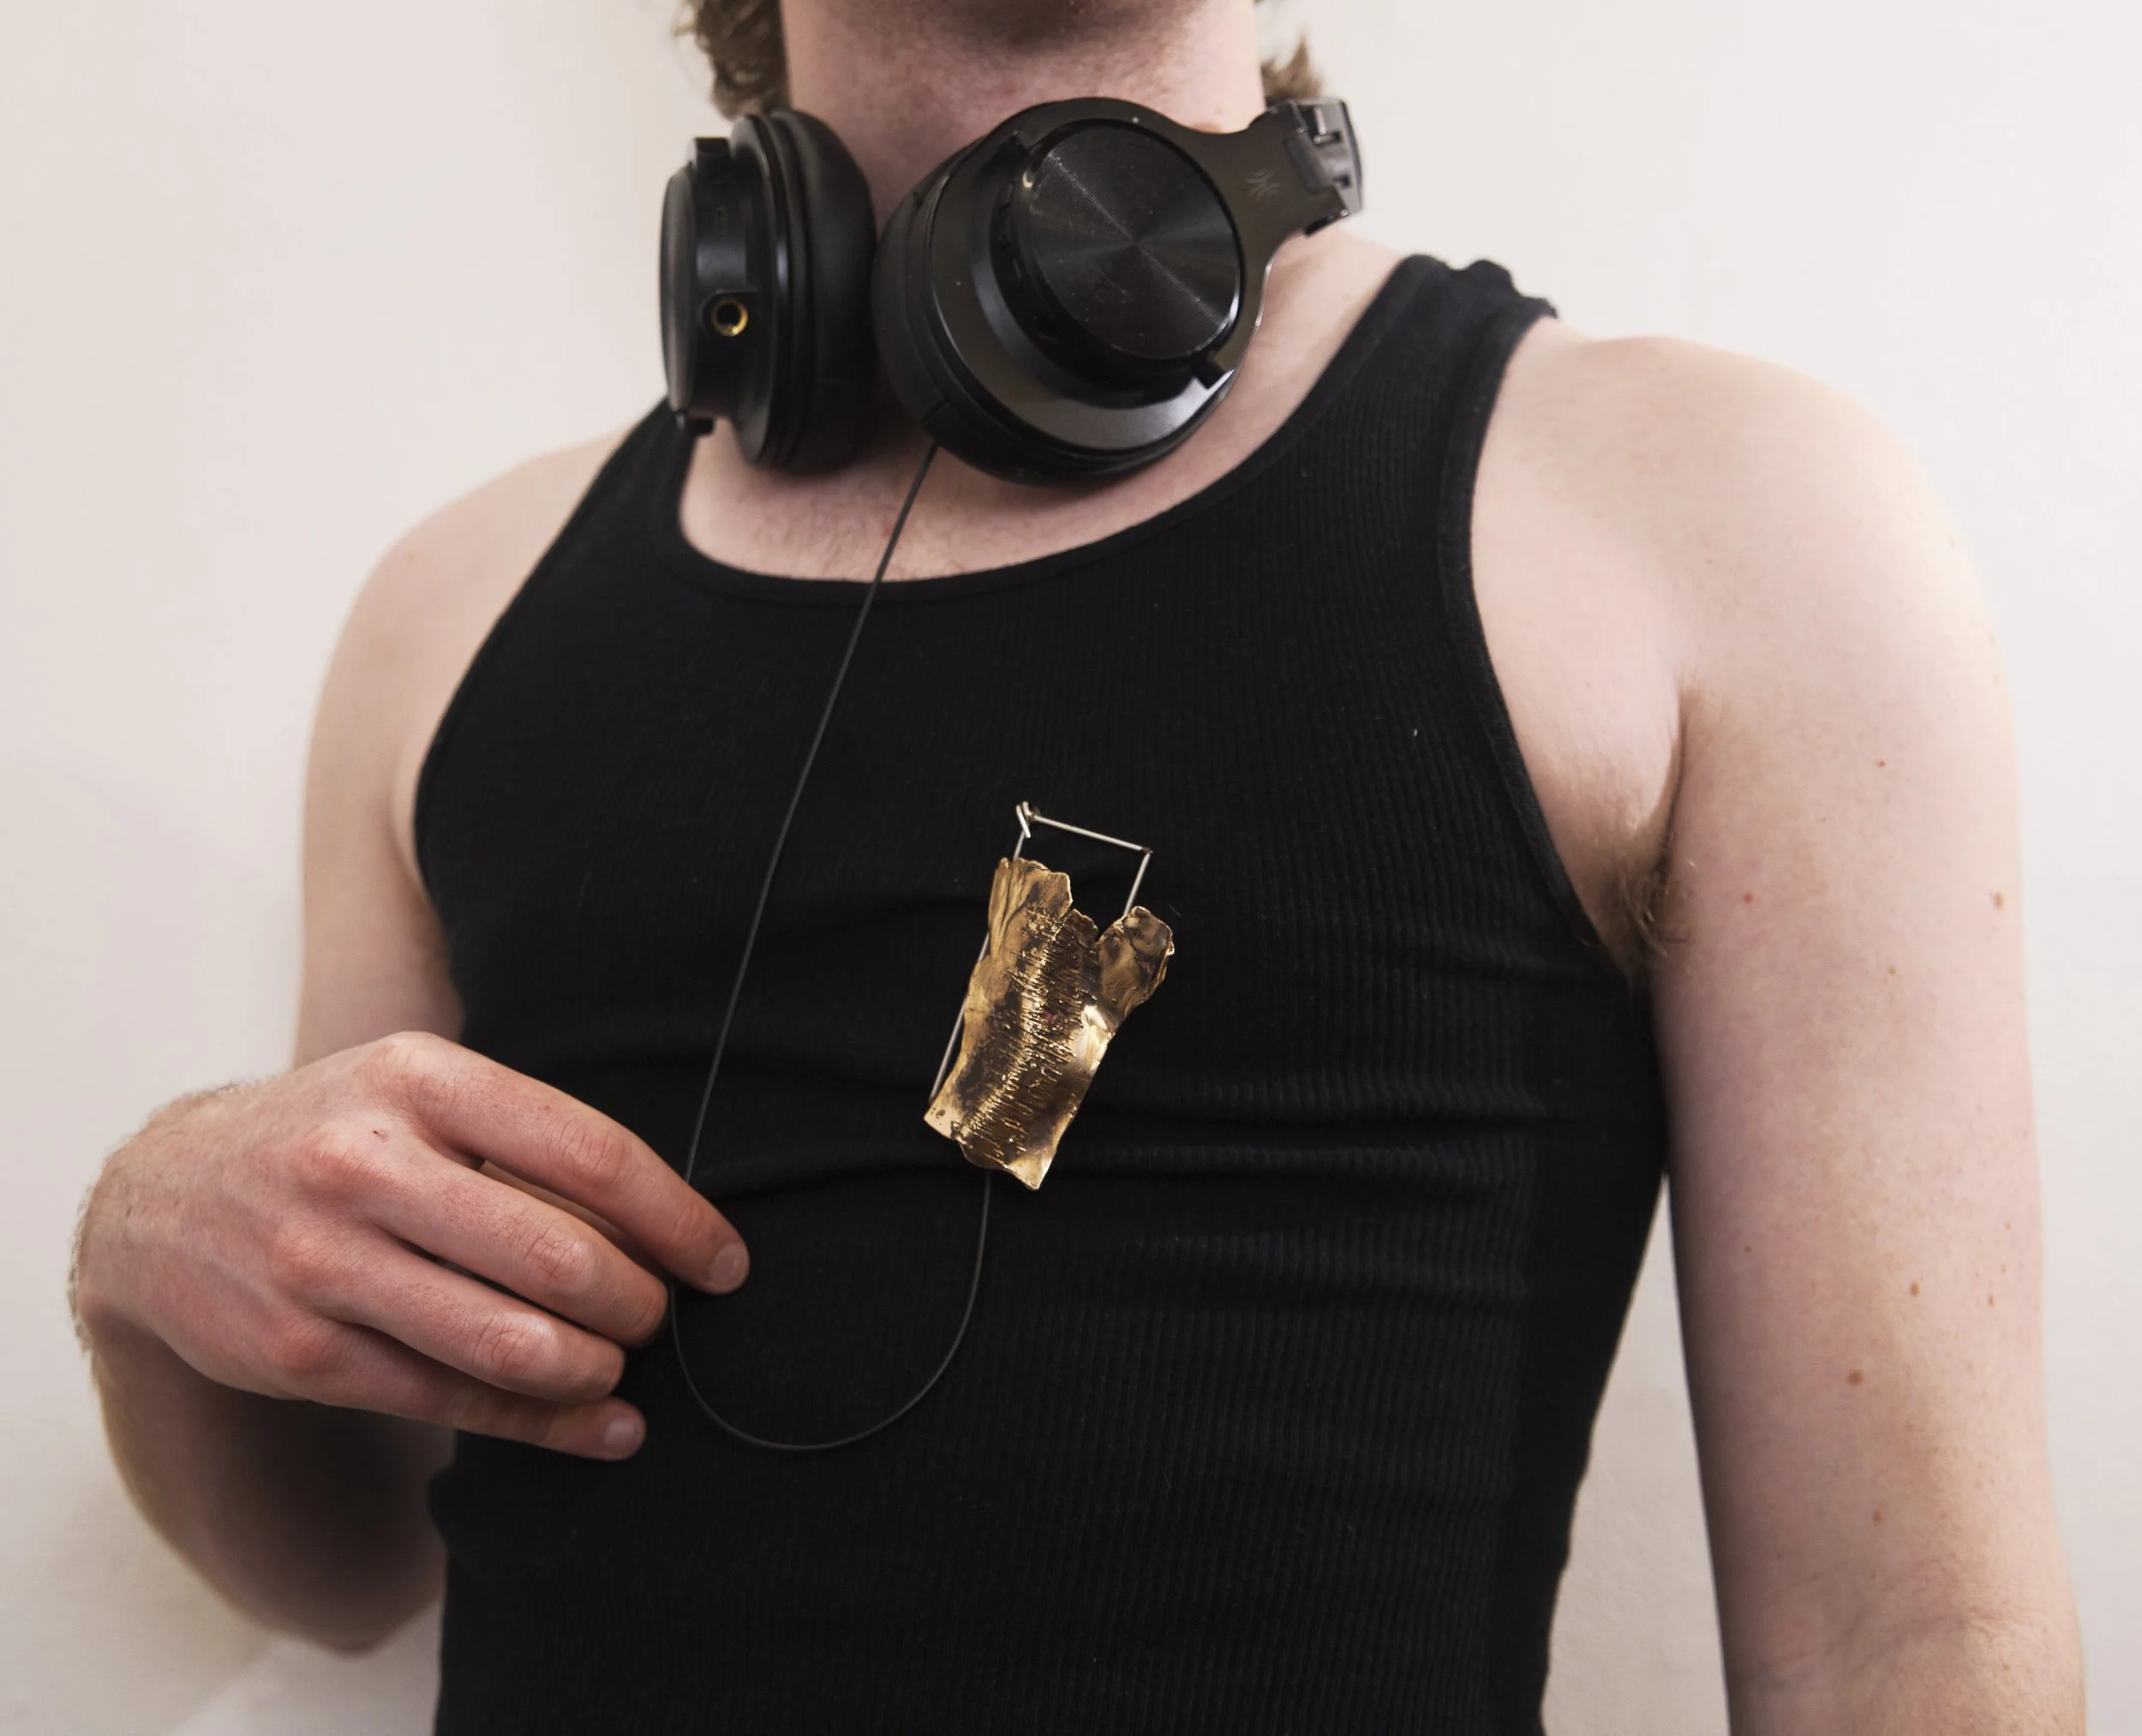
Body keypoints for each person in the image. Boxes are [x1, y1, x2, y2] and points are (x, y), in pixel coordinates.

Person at [70, 0, 2083, 1730]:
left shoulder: (1723, 524)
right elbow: (344, 1565)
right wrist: (137, 1262)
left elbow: (1909, 1644)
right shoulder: (445, 618)